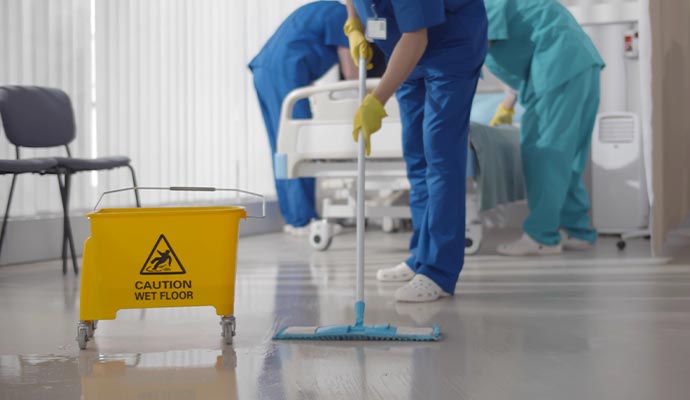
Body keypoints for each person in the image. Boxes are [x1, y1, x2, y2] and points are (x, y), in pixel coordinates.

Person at [345, 0, 487, 302]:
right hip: (404, 51)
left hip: (450, 49)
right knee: (416, 157)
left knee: (440, 157)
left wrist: (376, 100)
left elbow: (417, 36)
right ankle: (421, 255)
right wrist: (354, 23)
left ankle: (438, 271)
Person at [483, 0, 605, 256]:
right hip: (580, 62)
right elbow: (520, 40)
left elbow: (475, 48)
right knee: (568, 156)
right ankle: (577, 230)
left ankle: (542, 236)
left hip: (556, 64)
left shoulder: (476, 5)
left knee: (544, 153)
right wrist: (507, 105)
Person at [249, 1, 358, 235]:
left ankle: (295, 218)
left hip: (269, 71)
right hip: (285, 73)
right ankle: (303, 220)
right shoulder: (343, 16)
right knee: (299, 145)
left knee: (282, 147)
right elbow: (351, 73)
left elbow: (300, 45)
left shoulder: (326, 10)